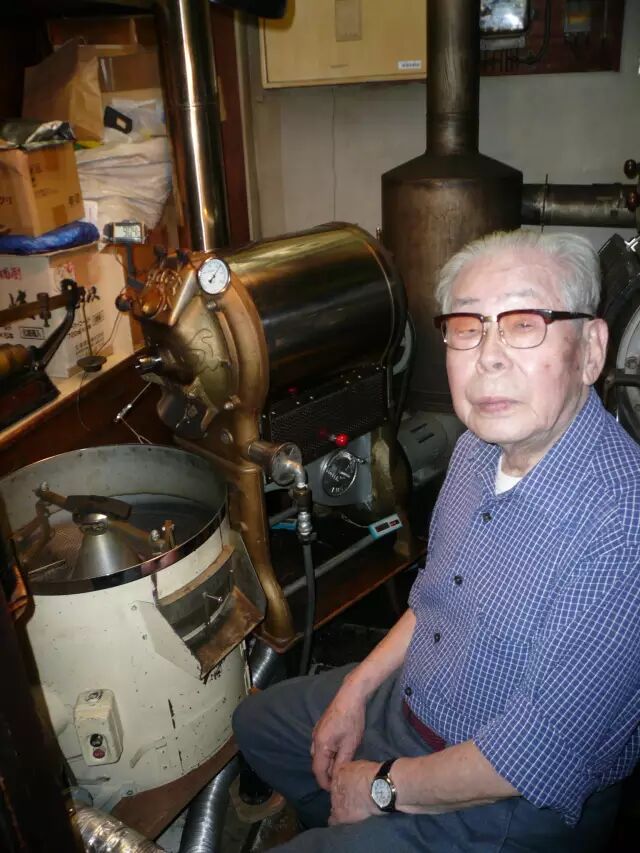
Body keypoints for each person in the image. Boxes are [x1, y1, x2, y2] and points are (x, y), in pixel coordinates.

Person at [233, 230, 640, 852]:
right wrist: (353, 693)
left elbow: (533, 755)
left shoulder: (621, 524)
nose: (489, 357)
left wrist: (379, 788)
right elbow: (432, 599)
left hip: (507, 799)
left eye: (524, 324)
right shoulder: (477, 449)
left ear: (591, 351)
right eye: (469, 328)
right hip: (416, 703)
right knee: (256, 723)